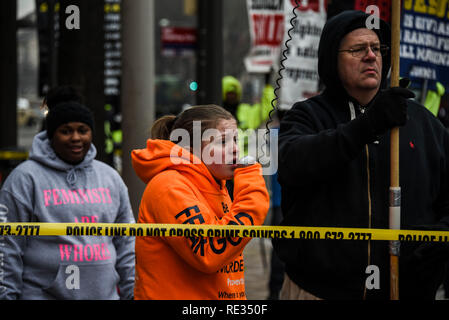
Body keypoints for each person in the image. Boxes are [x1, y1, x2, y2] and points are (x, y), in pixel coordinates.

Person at [273, 10, 449, 300]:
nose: (371, 56)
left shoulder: (421, 121)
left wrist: (440, 237)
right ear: (332, 59)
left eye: (377, 49)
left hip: (407, 291)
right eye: (357, 49)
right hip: (320, 291)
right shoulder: (308, 116)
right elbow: (294, 163)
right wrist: (367, 126)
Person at [0, 86, 135, 300]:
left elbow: (127, 244)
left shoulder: (110, 178)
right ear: (51, 135)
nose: (75, 138)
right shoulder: (25, 179)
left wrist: (133, 294)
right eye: (66, 131)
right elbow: (7, 246)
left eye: (83, 130)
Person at [131, 105, 269, 300]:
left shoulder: (216, 184)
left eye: (235, 140)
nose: (236, 149)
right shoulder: (169, 186)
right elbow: (211, 251)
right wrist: (252, 191)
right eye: (223, 142)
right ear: (189, 151)